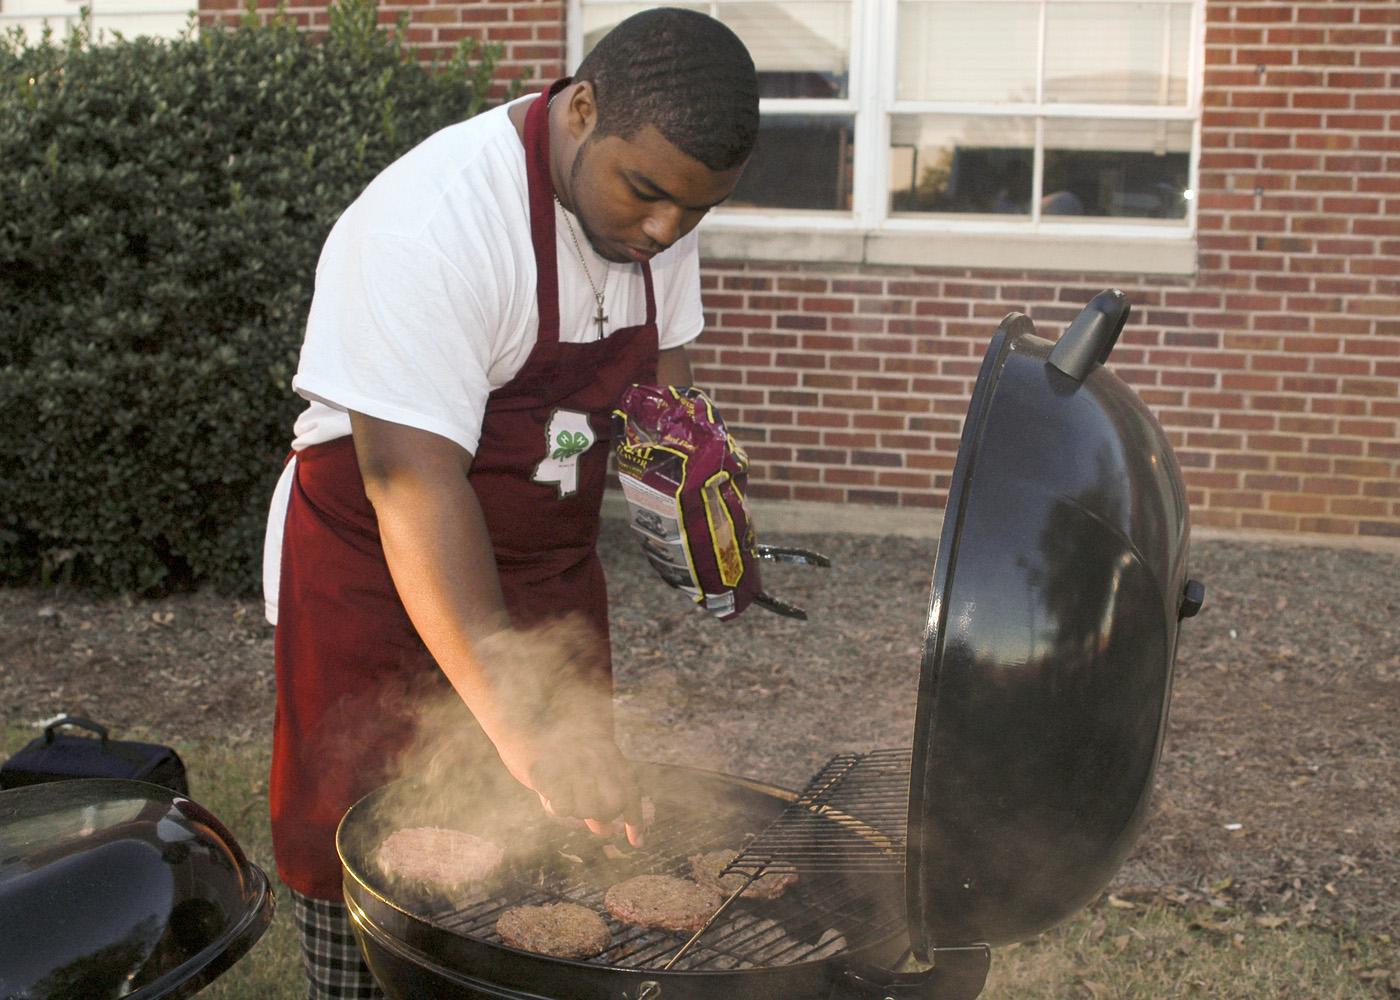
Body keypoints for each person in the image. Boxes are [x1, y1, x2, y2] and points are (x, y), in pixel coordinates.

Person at [260, 9, 759, 997]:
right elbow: (410, 482)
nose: (663, 230)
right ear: (580, 109)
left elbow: (656, 391)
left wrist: (688, 506)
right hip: (381, 570)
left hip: (545, 564)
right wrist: (526, 723)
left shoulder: (658, 215)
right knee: (365, 842)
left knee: (556, 838)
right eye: (647, 193)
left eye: (693, 214)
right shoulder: (432, 222)